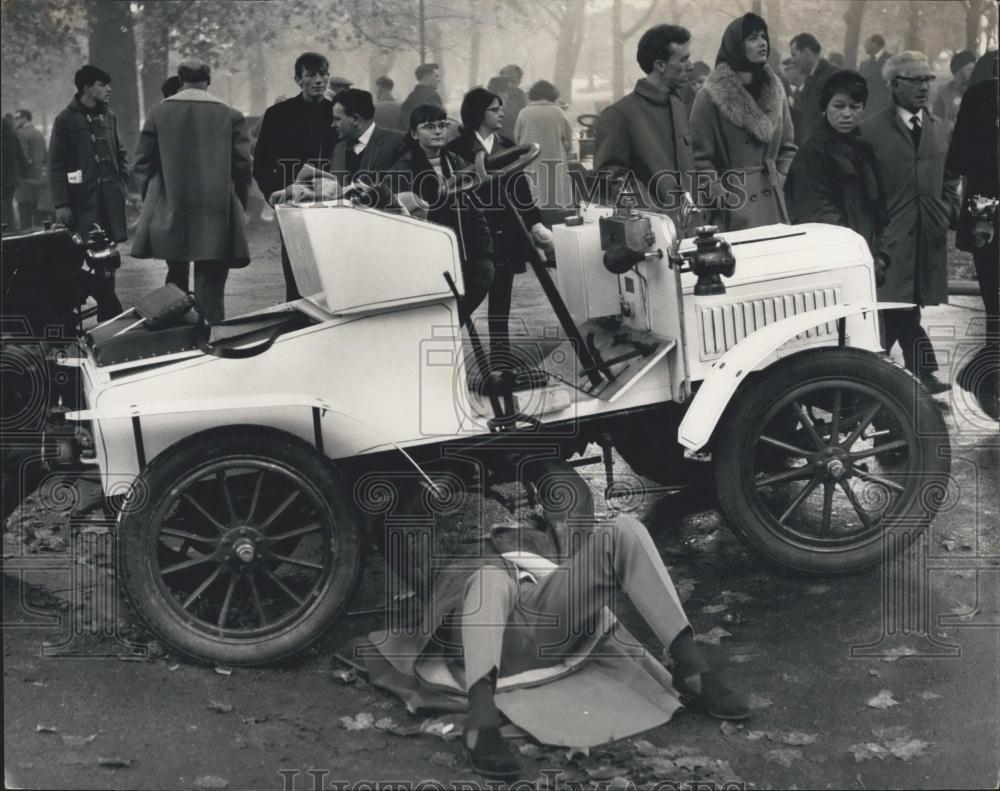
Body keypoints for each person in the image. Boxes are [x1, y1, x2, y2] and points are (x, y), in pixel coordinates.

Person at [356, 512, 749, 778]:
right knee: (489, 578)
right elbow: (413, 570)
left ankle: (690, 665)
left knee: (624, 527)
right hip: (482, 630)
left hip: (545, 621)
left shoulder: (539, 542)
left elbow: (574, 533)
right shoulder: (456, 563)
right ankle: (480, 718)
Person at [861, 52, 960, 394]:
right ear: (894, 84)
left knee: (908, 302)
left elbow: (950, 174)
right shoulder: (870, 130)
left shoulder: (937, 128)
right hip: (891, 233)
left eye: (928, 79)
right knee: (892, 303)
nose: (924, 87)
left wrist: (948, 208)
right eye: (915, 79)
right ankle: (900, 372)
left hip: (927, 231)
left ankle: (881, 374)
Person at [131, 59, 252, 323]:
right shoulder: (230, 115)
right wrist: (241, 202)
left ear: (181, 79)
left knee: (175, 279)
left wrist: (152, 198)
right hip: (217, 210)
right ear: (208, 80)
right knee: (211, 284)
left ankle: (177, 337)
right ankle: (211, 337)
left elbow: (140, 164)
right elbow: (243, 165)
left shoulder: (158, 113)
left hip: (170, 209)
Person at [448, 87, 553, 366]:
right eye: (495, 109)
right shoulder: (456, 149)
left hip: (507, 233)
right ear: (478, 113)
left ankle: (500, 358)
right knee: (469, 296)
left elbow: (522, 191)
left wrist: (535, 224)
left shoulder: (507, 145)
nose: (501, 113)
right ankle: (446, 347)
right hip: (474, 235)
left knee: (501, 300)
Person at [390, 104, 495, 325]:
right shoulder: (405, 167)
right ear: (413, 133)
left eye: (442, 125)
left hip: (464, 249)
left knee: (483, 275)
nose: (438, 131)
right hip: (429, 255)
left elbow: (476, 207)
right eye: (429, 127)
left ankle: (453, 325)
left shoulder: (456, 162)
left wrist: (484, 247)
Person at [690, 12, 796, 231]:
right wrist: (720, 193)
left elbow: (787, 146)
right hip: (733, 207)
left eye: (763, 36)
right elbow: (700, 158)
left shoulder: (776, 89)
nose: (762, 43)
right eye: (752, 38)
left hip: (772, 203)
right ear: (735, 46)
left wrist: (781, 177)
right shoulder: (709, 96)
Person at [784, 70, 889, 287]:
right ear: (825, 108)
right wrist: (858, 255)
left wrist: (880, 255)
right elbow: (819, 214)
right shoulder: (812, 153)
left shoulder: (863, 148)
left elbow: (880, 209)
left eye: (855, 106)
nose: (847, 114)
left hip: (864, 258)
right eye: (839, 106)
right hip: (833, 260)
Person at [253, 52, 336, 301]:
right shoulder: (278, 114)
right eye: (311, 75)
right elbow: (262, 163)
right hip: (292, 201)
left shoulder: (336, 113)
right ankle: (297, 322)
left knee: (331, 269)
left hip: (333, 201)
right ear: (297, 79)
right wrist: (274, 195)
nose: (319, 80)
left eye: (323, 74)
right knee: (296, 269)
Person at [593, 24, 698, 219]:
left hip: (690, 231)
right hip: (649, 235)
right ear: (660, 65)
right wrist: (652, 216)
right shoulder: (618, 115)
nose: (691, 66)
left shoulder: (678, 106)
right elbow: (610, 178)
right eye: (683, 59)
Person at [948, 51, 999, 419]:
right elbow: (965, 163)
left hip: (988, 214)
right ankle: (988, 384)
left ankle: (983, 380)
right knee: (996, 309)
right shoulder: (982, 95)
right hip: (991, 219)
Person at [49, 65, 130, 243]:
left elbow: (121, 154)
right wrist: (61, 204)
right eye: (102, 84)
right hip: (81, 203)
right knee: (83, 254)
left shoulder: (110, 116)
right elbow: (56, 165)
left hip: (111, 202)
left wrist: (124, 188)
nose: (109, 89)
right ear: (86, 87)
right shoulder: (64, 120)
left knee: (110, 256)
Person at [513, 80, 575, 224]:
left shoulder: (524, 113)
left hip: (530, 164)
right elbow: (568, 140)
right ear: (552, 95)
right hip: (554, 163)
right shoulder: (558, 112)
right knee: (556, 201)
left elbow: (517, 139)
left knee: (534, 197)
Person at [328, 88, 407, 185]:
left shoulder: (399, 143)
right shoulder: (338, 149)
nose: (333, 125)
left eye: (337, 119)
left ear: (355, 119)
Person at [788, 32, 841, 143]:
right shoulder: (811, 77)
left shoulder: (835, 76)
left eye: (794, 55)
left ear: (806, 52)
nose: (792, 61)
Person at [13, 110, 48, 229]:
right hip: (38, 180)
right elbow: (45, 156)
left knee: (25, 219)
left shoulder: (20, 134)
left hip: (25, 181)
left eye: (17, 117)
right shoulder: (38, 133)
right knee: (39, 219)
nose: (15, 120)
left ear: (25, 118)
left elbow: (23, 158)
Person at [932, 50, 976, 136]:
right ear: (958, 72)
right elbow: (936, 123)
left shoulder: (977, 92)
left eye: (974, 69)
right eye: (969, 69)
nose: (973, 73)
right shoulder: (944, 94)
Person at [399, 63, 444, 132]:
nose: (439, 79)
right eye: (436, 76)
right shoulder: (432, 96)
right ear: (426, 77)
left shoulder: (411, 97)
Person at [2, 114, 27, 230]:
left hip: (5, 176)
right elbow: (20, 155)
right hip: (11, 177)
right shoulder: (11, 134)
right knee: (7, 204)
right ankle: (10, 228)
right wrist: (23, 173)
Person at [858, 34, 892, 117]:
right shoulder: (863, 64)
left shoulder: (892, 60)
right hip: (866, 112)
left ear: (875, 44)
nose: (864, 46)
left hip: (885, 111)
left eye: (867, 42)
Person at [498, 64, 527, 139]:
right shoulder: (492, 96)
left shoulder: (523, 98)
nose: (509, 85)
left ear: (519, 82)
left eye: (513, 82)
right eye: (505, 81)